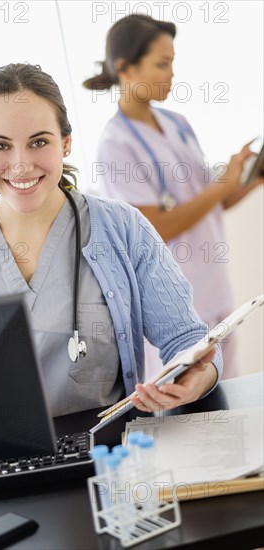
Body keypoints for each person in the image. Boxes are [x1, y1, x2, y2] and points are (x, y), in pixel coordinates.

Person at [0, 62, 218, 418]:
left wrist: (199, 375)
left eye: (38, 142)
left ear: (66, 143)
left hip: (106, 455)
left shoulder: (122, 228)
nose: (21, 164)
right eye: (0, 146)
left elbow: (187, 341)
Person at [83, 14, 263, 380]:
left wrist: (246, 181)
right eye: (162, 64)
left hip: (217, 294)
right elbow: (154, 227)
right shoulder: (115, 144)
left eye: (172, 63)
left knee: (231, 402)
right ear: (125, 68)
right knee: (189, 413)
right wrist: (222, 185)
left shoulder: (178, 123)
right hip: (175, 309)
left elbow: (213, 200)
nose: (171, 73)